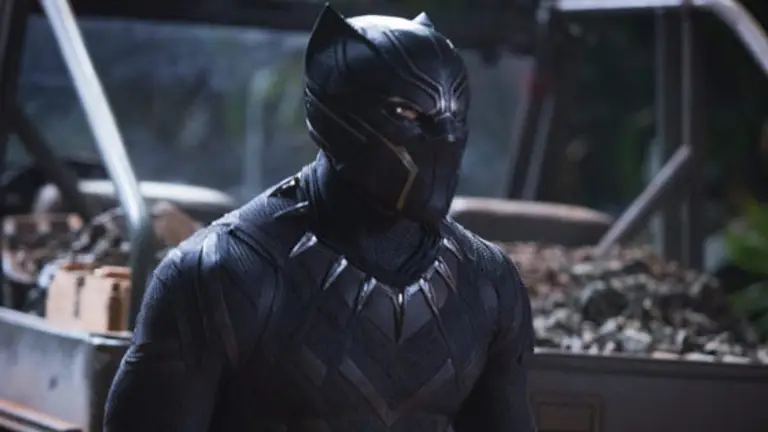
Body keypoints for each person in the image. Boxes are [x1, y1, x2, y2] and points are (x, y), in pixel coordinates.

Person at [104, 6, 536, 431]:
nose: (444, 138)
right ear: (341, 113)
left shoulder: (487, 284)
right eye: (409, 115)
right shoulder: (219, 275)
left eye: (455, 116)